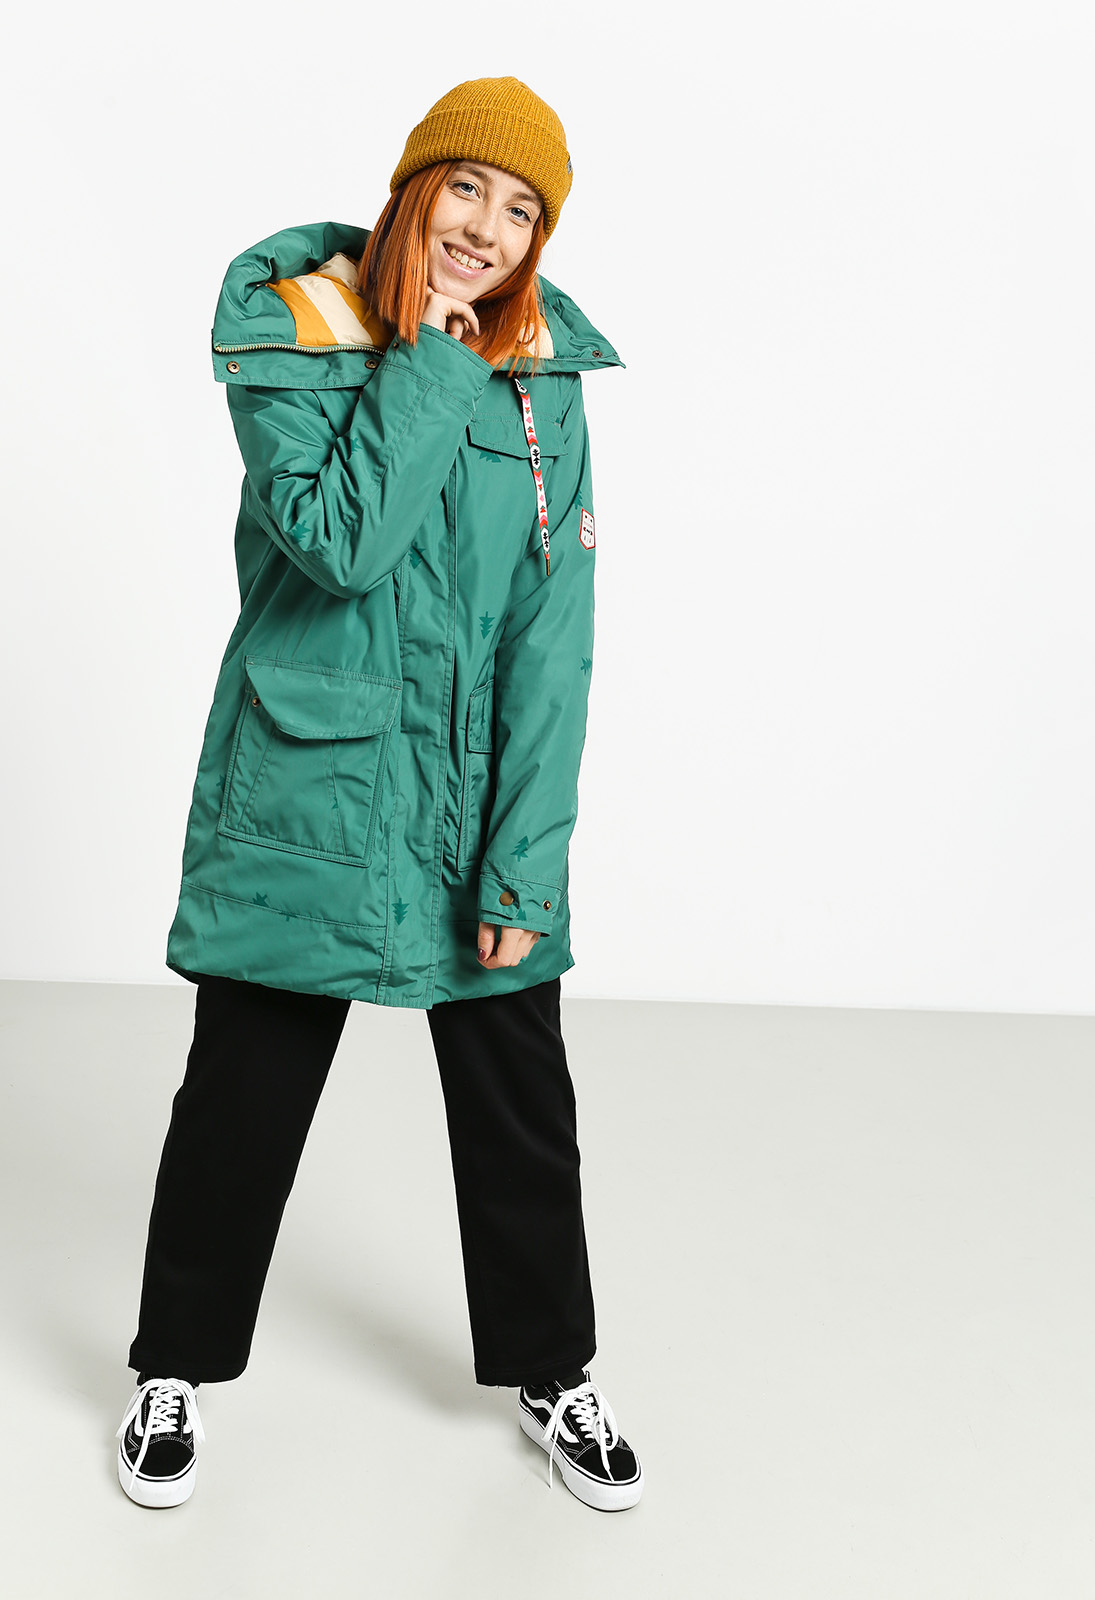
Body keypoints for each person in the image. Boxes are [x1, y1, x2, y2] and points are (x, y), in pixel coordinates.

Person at [115, 76, 642, 1515]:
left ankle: (554, 1370)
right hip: (312, 790)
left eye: (521, 210)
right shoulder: (293, 334)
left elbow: (552, 638)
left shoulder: (543, 384)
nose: (487, 228)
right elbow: (339, 543)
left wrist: (526, 862)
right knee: (244, 1095)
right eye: (467, 186)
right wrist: (428, 365)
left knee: (519, 1098)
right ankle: (174, 1368)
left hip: (472, 799)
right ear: (415, 188)